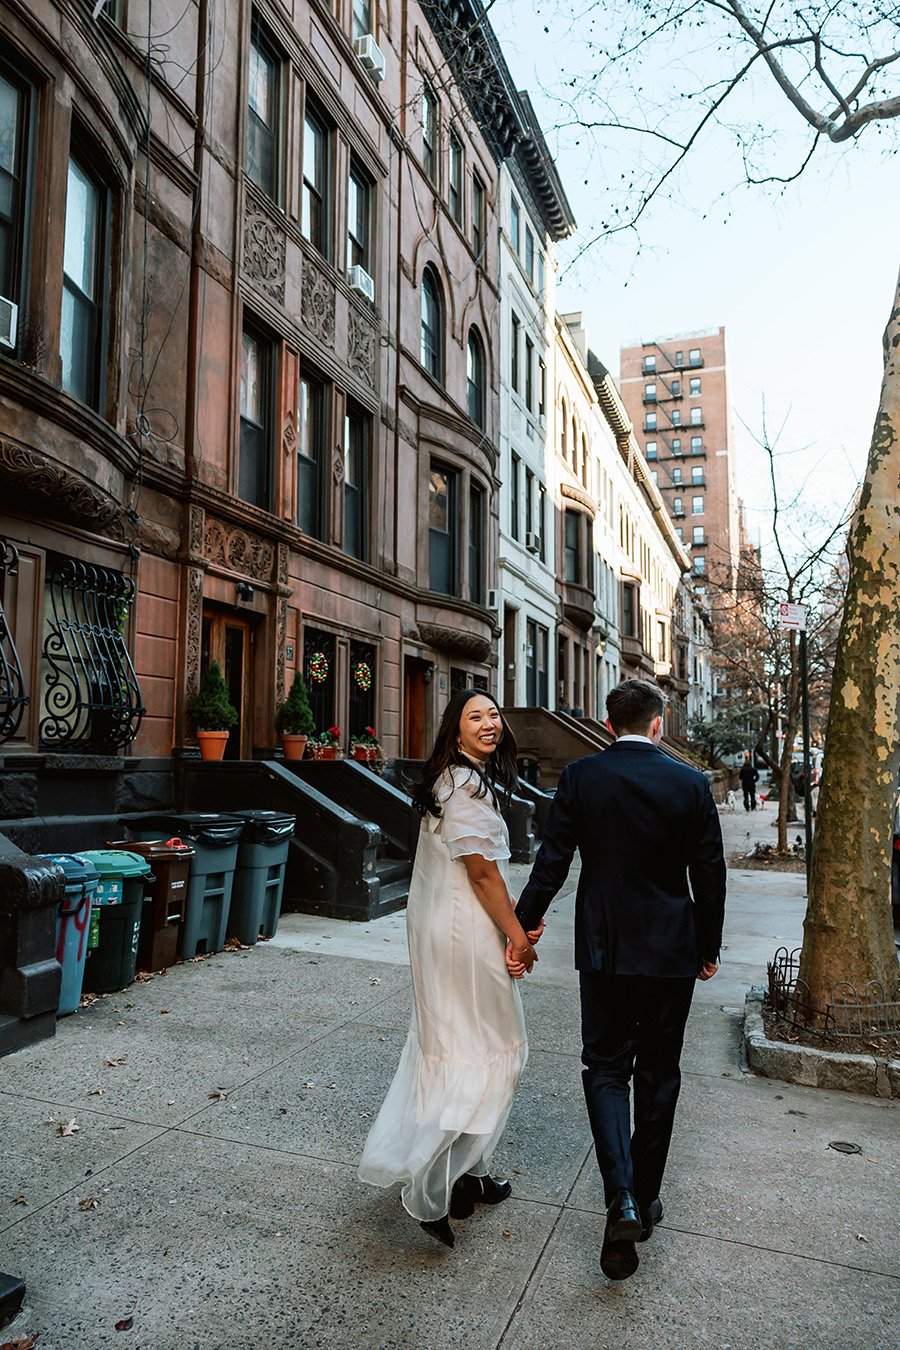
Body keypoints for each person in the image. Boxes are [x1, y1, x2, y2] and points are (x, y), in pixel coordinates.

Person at [514, 679, 726, 1282]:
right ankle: (642, 1197)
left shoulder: (582, 779)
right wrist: (707, 947)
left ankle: (621, 1197)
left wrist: (521, 925)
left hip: (605, 952)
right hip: (670, 955)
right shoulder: (691, 784)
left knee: (606, 1069)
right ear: (658, 725)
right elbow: (709, 875)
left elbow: (551, 860)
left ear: (610, 725)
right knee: (659, 1073)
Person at [358, 690, 540, 1249]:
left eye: (493, 715)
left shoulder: (459, 778)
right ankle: (430, 1178)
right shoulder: (460, 786)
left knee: (464, 1045)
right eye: (474, 717)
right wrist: (518, 938)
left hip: (452, 926)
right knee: (491, 1051)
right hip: (463, 932)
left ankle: (467, 1177)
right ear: (454, 732)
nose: (489, 723)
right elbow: (483, 876)